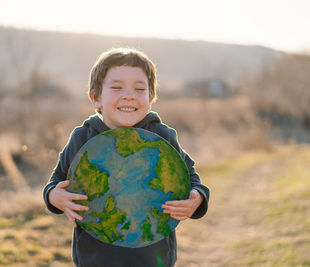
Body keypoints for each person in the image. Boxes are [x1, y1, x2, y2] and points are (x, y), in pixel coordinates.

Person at [43, 47, 210, 267]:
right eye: (116, 87)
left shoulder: (161, 136)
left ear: (150, 98)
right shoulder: (82, 137)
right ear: (96, 98)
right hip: (95, 257)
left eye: (140, 89)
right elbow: (55, 182)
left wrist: (196, 199)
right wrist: (55, 197)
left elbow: (192, 179)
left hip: (153, 257)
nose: (129, 95)